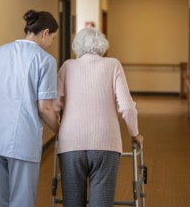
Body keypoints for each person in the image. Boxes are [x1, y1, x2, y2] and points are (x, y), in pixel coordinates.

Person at [53, 27, 144, 207]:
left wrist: (61, 130)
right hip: (106, 143)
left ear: (77, 46)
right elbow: (126, 107)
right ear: (102, 45)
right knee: (101, 203)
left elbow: (54, 106)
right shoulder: (113, 64)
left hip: (70, 143)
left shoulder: (67, 66)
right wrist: (134, 133)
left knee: (71, 203)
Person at [0, 9, 59, 207]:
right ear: (45, 33)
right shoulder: (45, 60)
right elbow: (45, 108)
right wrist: (61, 131)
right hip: (21, 140)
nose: (52, 43)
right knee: (21, 201)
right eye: (54, 38)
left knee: (2, 200)